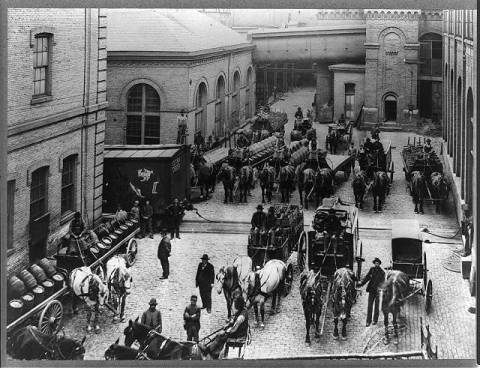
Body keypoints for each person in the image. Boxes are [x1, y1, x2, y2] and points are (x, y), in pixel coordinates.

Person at [357, 257, 385, 326]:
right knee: (369, 306)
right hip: (371, 291)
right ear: (374, 263)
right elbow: (367, 277)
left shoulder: (382, 272)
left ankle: (375, 320)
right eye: (375, 263)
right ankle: (368, 321)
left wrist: (382, 290)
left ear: (379, 264)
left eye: (378, 263)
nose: (376, 264)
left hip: (377, 292)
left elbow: (383, 283)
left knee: (376, 306)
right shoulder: (372, 270)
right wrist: (361, 283)